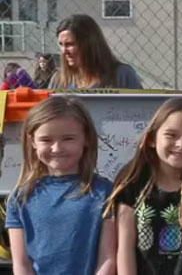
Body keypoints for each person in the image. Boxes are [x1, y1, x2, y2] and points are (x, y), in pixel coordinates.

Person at [109, 98, 182, 275]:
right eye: (171, 135)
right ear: (152, 138)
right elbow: (125, 245)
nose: (181, 145)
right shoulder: (133, 181)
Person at [7, 96, 116, 275]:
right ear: (32, 141)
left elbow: (108, 259)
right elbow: (21, 264)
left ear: (86, 139)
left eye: (68, 138)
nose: (57, 148)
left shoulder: (105, 192)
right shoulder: (20, 198)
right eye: (46, 140)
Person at [53, 15, 142, 90]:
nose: (64, 51)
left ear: (90, 44)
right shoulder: (59, 79)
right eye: (61, 44)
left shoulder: (122, 75)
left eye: (70, 44)